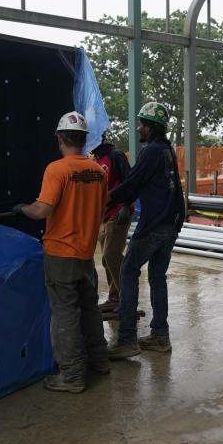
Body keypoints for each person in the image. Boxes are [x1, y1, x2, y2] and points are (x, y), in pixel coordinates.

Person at [13, 111, 109, 393]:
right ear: (84, 139)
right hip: (85, 254)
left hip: (61, 253)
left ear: (59, 138)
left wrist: (22, 209)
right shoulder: (97, 171)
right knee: (90, 310)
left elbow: (43, 209)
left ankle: (71, 377)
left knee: (65, 314)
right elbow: (101, 207)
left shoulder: (57, 170)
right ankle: (100, 362)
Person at [106, 102, 185, 359]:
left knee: (128, 270)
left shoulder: (151, 151)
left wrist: (104, 199)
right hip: (170, 224)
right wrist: (179, 221)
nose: (138, 128)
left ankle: (127, 339)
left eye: (141, 124)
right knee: (157, 277)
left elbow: (132, 183)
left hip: (154, 225)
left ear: (150, 128)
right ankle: (160, 336)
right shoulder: (166, 151)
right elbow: (176, 189)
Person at [91, 131, 134, 310]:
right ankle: (114, 297)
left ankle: (127, 299)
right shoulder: (95, 159)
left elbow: (130, 181)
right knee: (105, 260)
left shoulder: (115, 156)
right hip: (104, 214)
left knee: (112, 255)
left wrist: (126, 205)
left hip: (119, 212)